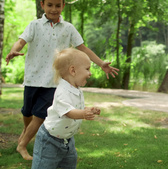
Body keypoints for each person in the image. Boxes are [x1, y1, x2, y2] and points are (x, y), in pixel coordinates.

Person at [5, 0, 118, 160]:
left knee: (40, 115)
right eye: (50, 5)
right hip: (32, 78)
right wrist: (14, 50)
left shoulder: (68, 28)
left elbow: (82, 48)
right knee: (27, 112)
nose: (54, 9)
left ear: (63, 6)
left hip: (54, 81)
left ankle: (22, 146)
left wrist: (101, 64)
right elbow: (21, 41)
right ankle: (25, 133)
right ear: (42, 5)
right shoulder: (34, 25)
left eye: (58, 5)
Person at [31, 48, 100, 169]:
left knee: (69, 165)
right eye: (87, 69)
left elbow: (75, 107)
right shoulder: (62, 91)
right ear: (73, 70)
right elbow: (69, 112)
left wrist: (89, 109)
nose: (90, 73)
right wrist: (83, 114)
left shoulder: (75, 89)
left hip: (67, 140)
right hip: (49, 140)